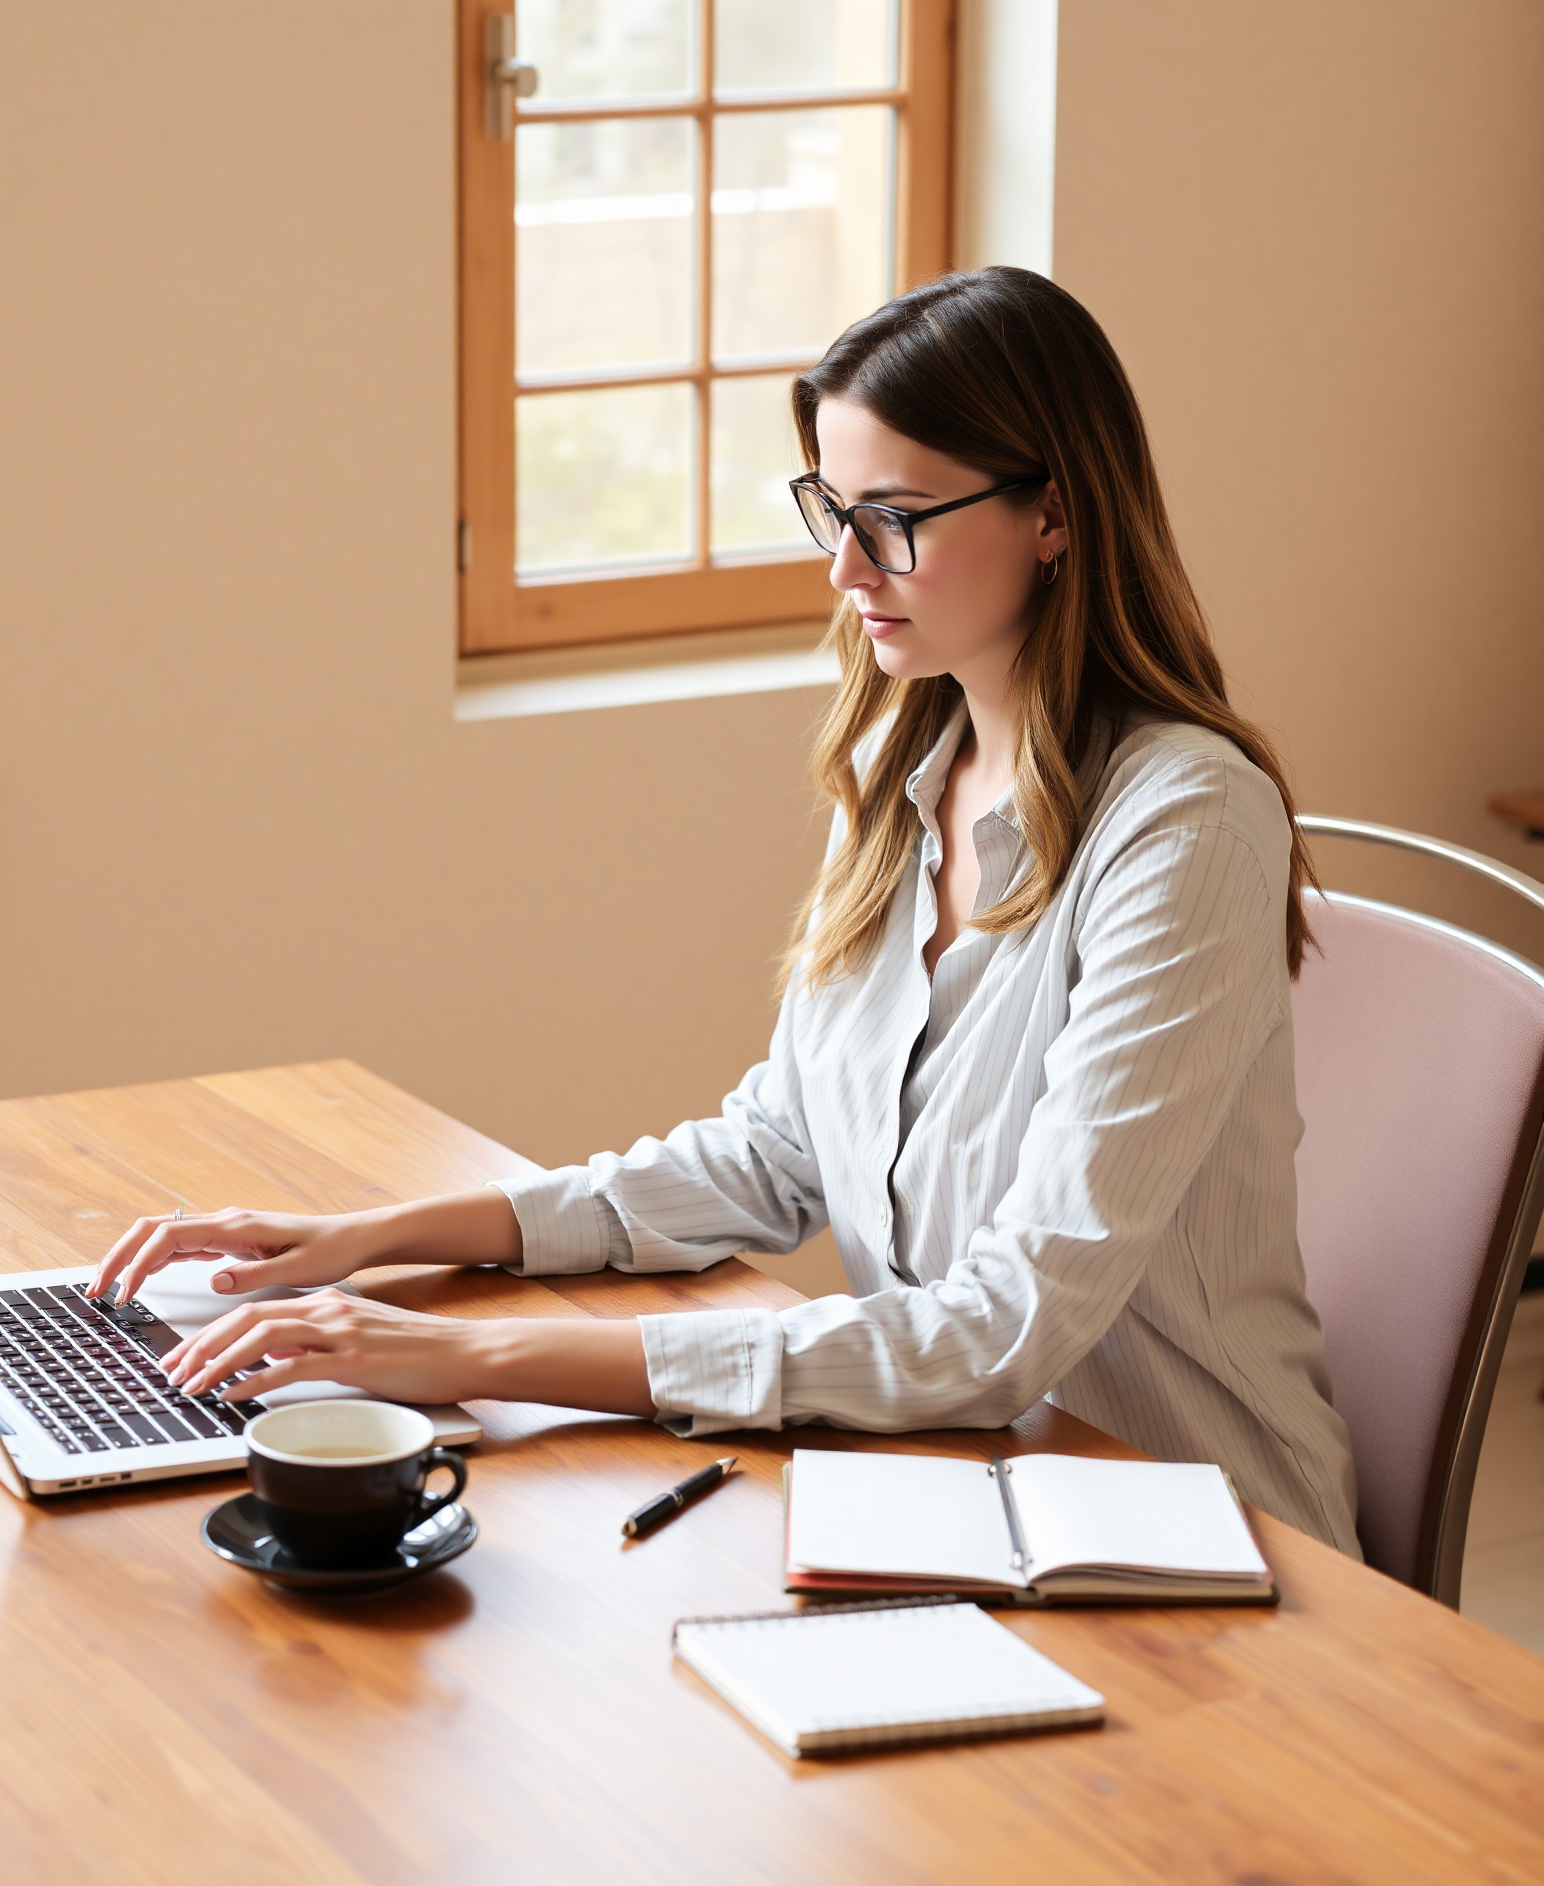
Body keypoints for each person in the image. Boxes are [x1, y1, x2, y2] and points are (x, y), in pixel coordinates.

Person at [91, 267, 1358, 1551]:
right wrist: (361, 1240)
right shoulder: (894, 775)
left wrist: (464, 1352)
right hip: (959, 1492)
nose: (844, 568)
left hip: (1197, 1539)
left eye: (897, 517)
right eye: (831, 509)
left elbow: (996, 1330)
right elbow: (772, 1156)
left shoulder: (1182, 831)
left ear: (1055, 515)